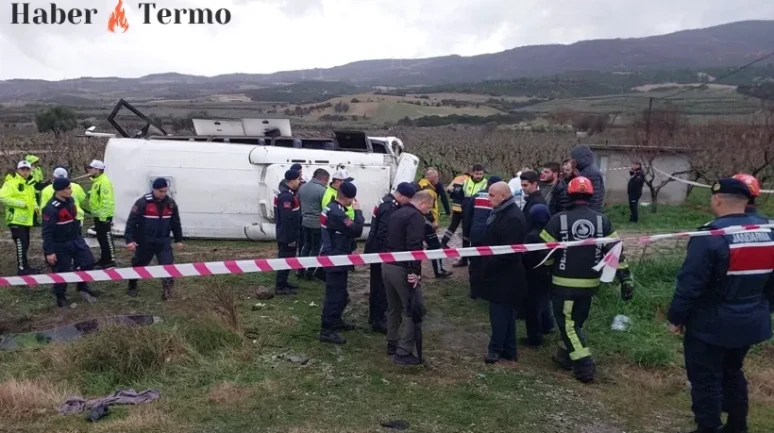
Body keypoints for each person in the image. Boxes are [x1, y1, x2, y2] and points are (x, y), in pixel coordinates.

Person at [667, 178, 774, 433]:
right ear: (747, 202)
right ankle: (737, 426)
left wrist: (677, 317)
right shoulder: (769, 232)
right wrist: (764, 308)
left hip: (711, 323)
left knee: (705, 379)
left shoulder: (711, 234)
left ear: (716, 199)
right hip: (751, 319)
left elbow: (691, 283)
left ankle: (708, 427)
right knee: (733, 371)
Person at [539, 176, 634, 383]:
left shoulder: (558, 219)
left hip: (563, 284)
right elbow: (616, 252)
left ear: (569, 195)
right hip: (590, 284)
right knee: (576, 322)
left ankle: (585, 366)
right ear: (591, 196)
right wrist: (626, 279)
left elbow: (544, 253)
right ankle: (564, 357)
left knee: (567, 325)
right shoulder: (603, 221)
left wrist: (546, 273)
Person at [473, 182, 528, 364]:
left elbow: (509, 253)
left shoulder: (512, 218)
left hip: (504, 277)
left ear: (503, 197)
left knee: (500, 315)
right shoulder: (501, 212)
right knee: (506, 315)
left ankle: (495, 350)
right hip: (501, 275)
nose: (488, 199)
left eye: (491, 195)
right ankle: (509, 350)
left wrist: (487, 263)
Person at [382, 190, 434, 365]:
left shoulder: (397, 212)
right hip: (402, 268)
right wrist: (414, 271)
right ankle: (403, 352)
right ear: (423, 204)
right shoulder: (415, 217)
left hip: (387, 265)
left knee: (393, 307)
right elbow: (414, 245)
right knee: (415, 310)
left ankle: (392, 342)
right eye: (430, 207)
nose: (430, 211)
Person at [364, 182, 416, 334]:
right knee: (380, 286)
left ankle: (375, 316)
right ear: (401, 195)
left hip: (377, 249)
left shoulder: (387, 201)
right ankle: (378, 320)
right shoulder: (390, 207)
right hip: (380, 250)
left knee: (379, 284)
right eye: (408, 199)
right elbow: (384, 233)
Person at [41, 178, 100, 307]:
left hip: (75, 240)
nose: (71, 190)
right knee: (62, 271)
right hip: (60, 244)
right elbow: (47, 232)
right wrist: (49, 252)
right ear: (59, 190)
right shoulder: (50, 209)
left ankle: (82, 285)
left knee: (88, 261)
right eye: (68, 188)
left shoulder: (70, 201)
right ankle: (60, 296)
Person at [319, 181, 364, 345]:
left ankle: (335, 320)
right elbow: (356, 230)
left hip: (338, 255)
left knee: (341, 294)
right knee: (335, 295)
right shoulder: (337, 213)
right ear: (350, 199)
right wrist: (358, 212)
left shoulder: (333, 207)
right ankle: (327, 329)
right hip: (335, 257)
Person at [124, 178, 183, 301]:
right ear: (154, 190)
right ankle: (132, 284)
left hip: (163, 241)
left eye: (165, 191)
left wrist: (178, 239)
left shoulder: (170, 204)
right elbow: (131, 222)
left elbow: (176, 223)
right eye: (160, 191)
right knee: (139, 264)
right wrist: (129, 240)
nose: (163, 194)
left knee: (167, 265)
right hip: (145, 241)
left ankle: (167, 291)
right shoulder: (142, 203)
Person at [522, 204, 555, 347]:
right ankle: (548, 325)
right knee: (545, 301)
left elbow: (526, 257)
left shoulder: (531, 236)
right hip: (548, 274)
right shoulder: (551, 232)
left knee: (532, 307)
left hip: (533, 275)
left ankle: (535, 339)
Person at [463, 176, 502, 299]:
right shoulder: (498, 199)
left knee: (474, 262)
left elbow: (467, 216)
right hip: (490, 235)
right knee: (488, 262)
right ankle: (486, 289)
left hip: (475, 233)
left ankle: (474, 291)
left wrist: (466, 233)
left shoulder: (476, 196)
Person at [0, 161, 40, 275]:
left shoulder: (29, 184)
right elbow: (2, 197)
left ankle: (25, 266)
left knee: (25, 243)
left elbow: (33, 199)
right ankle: (22, 269)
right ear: (18, 171)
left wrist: (36, 207)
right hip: (15, 220)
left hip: (26, 220)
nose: (25, 172)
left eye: (27, 169)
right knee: (21, 244)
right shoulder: (11, 183)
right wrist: (21, 204)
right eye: (22, 169)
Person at [416, 168, 452, 278]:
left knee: (417, 246)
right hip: (427, 222)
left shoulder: (420, 184)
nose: (438, 179)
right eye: (436, 177)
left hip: (418, 221)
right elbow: (427, 208)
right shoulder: (429, 191)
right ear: (431, 178)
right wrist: (433, 221)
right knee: (436, 247)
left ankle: (417, 272)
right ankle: (439, 271)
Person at [274, 169, 303, 296]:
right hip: (287, 235)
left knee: (288, 259)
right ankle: (280, 286)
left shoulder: (288, 194)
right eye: (298, 179)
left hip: (287, 233)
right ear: (291, 181)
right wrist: (292, 237)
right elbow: (287, 219)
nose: (299, 182)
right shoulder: (286, 196)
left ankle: (284, 282)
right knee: (284, 259)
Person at [297, 168, 330, 279]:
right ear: (323, 179)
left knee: (306, 245)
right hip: (316, 223)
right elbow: (325, 207)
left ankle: (300, 269)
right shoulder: (322, 190)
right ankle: (309, 271)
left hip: (304, 221)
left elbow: (298, 202)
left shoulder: (302, 187)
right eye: (327, 181)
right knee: (316, 248)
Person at [86, 160, 117, 269]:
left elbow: (107, 201)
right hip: (98, 215)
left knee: (107, 238)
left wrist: (104, 217)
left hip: (104, 216)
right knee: (101, 238)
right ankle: (104, 259)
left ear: (97, 170)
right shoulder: (97, 181)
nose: (89, 170)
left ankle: (111, 261)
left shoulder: (104, 182)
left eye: (91, 168)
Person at [570, 145, 605, 212]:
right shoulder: (584, 170)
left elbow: (595, 197)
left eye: (573, 158)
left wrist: (592, 213)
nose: (572, 160)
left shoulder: (592, 173)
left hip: (590, 210)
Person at [440, 171, 470, 250]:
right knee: (465, 228)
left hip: (455, 206)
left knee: (452, 226)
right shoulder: (469, 180)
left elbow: (449, 189)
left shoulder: (457, 178)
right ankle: (465, 247)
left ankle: (444, 242)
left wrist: (453, 195)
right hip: (464, 207)